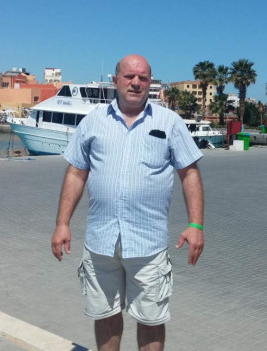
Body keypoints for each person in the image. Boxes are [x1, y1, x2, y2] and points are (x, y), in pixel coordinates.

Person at [51, 54, 204, 351]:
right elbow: (76, 173)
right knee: (105, 316)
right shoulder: (94, 121)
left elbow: (190, 174)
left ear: (150, 83)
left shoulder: (169, 122)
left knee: (151, 320)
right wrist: (62, 224)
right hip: (101, 242)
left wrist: (195, 225)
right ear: (115, 80)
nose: (136, 83)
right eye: (129, 76)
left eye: (142, 78)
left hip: (148, 244)